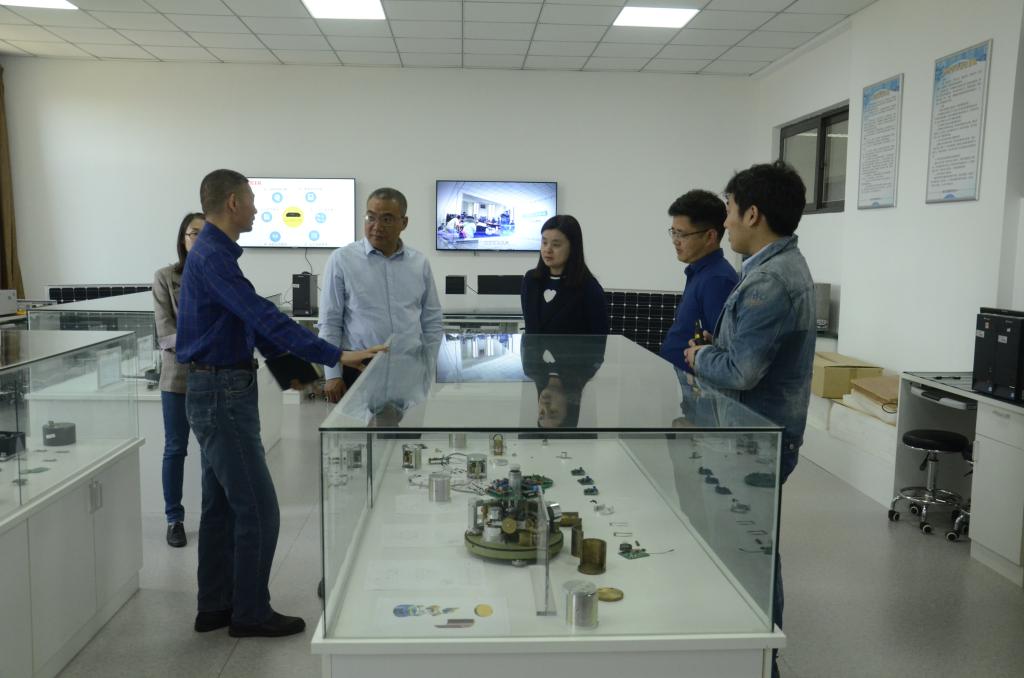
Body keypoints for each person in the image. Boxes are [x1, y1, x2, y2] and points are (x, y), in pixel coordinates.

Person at [177, 169, 383, 638]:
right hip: (222, 394)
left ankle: (215, 606)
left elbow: (247, 323)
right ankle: (249, 613)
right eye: (251, 200)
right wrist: (338, 355)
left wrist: (299, 376)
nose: (256, 209)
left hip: (216, 389)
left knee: (221, 507)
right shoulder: (213, 255)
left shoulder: (212, 254)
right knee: (258, 509)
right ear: (233, 202)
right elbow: (263, 316)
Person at [683, 160, 816, 678]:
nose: (727, 222)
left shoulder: (771, 281)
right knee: (747, 544)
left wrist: (700, 356)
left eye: (731, 211)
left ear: (753, 214)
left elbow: (742, 372)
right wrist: (718, 347)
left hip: (754, 440)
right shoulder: (770, 269)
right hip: (748, 436)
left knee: (750, 551)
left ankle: (760, 661)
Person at [318, 187, 443, 403]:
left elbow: (432, 321)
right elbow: (330, 321)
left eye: (387, 219)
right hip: (360, 366)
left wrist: (429, 368)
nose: (377, 226)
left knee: (409, 425)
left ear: (404, 223)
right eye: (371, 217)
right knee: (358, 425)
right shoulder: (342, 260)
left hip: (409, 367)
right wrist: (332, 374)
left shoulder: (419, 263)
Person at [152, 212, 204, 548]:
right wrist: (206, 344)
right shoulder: (165, 277)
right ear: (183, 239)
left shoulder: (220, 274)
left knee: (212, 451)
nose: (199, 239)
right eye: (193, 233)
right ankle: (174, 518)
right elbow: (166, 332)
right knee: (175, 449)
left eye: (206, 233)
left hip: (213, 378)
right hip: (178, 377)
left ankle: (214, 517)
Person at [659, 190, 738, 373]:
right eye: (673, 232)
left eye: (681, 234)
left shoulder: (717, 281)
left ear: (710, 236)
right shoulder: (699, 273)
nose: (675, 241)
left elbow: (723, 353)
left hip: (694, 385)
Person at [520, 215, 609, 335]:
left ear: (573, 247)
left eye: (556, 245)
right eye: (544, 242)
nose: (547, 250)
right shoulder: (531, 280)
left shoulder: (589, 287)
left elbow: (600, 338)